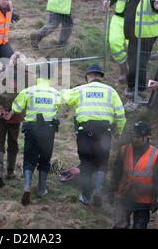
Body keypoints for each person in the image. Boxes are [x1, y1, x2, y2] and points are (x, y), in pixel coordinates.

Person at [62, 63, 126, 207]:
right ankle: (97, 190)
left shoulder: (80, 90)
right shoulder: (111, 91)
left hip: (85, 132)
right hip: (104, 134)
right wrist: (119, 133)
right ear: (100, 77)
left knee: (86, 163)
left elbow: (64, 98)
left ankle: (85, 196)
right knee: (102, 164)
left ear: (89, 76)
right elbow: (121, 116)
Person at [10, 63, 61, 206]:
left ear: (38, 76)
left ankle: (27, 186)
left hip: (31, 129)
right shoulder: (55, 93)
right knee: (45, 159)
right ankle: (42, 189)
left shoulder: (28, 91)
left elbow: (16, 107)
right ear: (50, 77)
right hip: (48, 130)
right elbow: (56, 108)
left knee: (29, 159)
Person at [0, 51, 35, 187]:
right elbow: (30, 96)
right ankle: (10, 171)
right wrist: (13, 112)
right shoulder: (28, 77)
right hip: (16, 114)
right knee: (13, 141)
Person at [110, 121, 158, 229]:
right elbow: (116, 173)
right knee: (119, 225)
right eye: (134, 136)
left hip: (143, 201)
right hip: (123, 197)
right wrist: (111, 190)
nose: (135, 139)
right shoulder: (124, 150)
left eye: (138, 137)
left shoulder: (156, 154)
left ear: (147, 137)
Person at [123, 0, 158, 100]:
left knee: (139, 64)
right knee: (132, 61)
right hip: (133, 37)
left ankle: (140, 90)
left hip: (145, 38)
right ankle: (131, 86)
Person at [103, 0, 143, 83]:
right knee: (114, 43)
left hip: (133, 20)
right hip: (118, 17)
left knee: (132, 50)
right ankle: (123, 69)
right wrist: (109, 1)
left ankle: (132, 76)